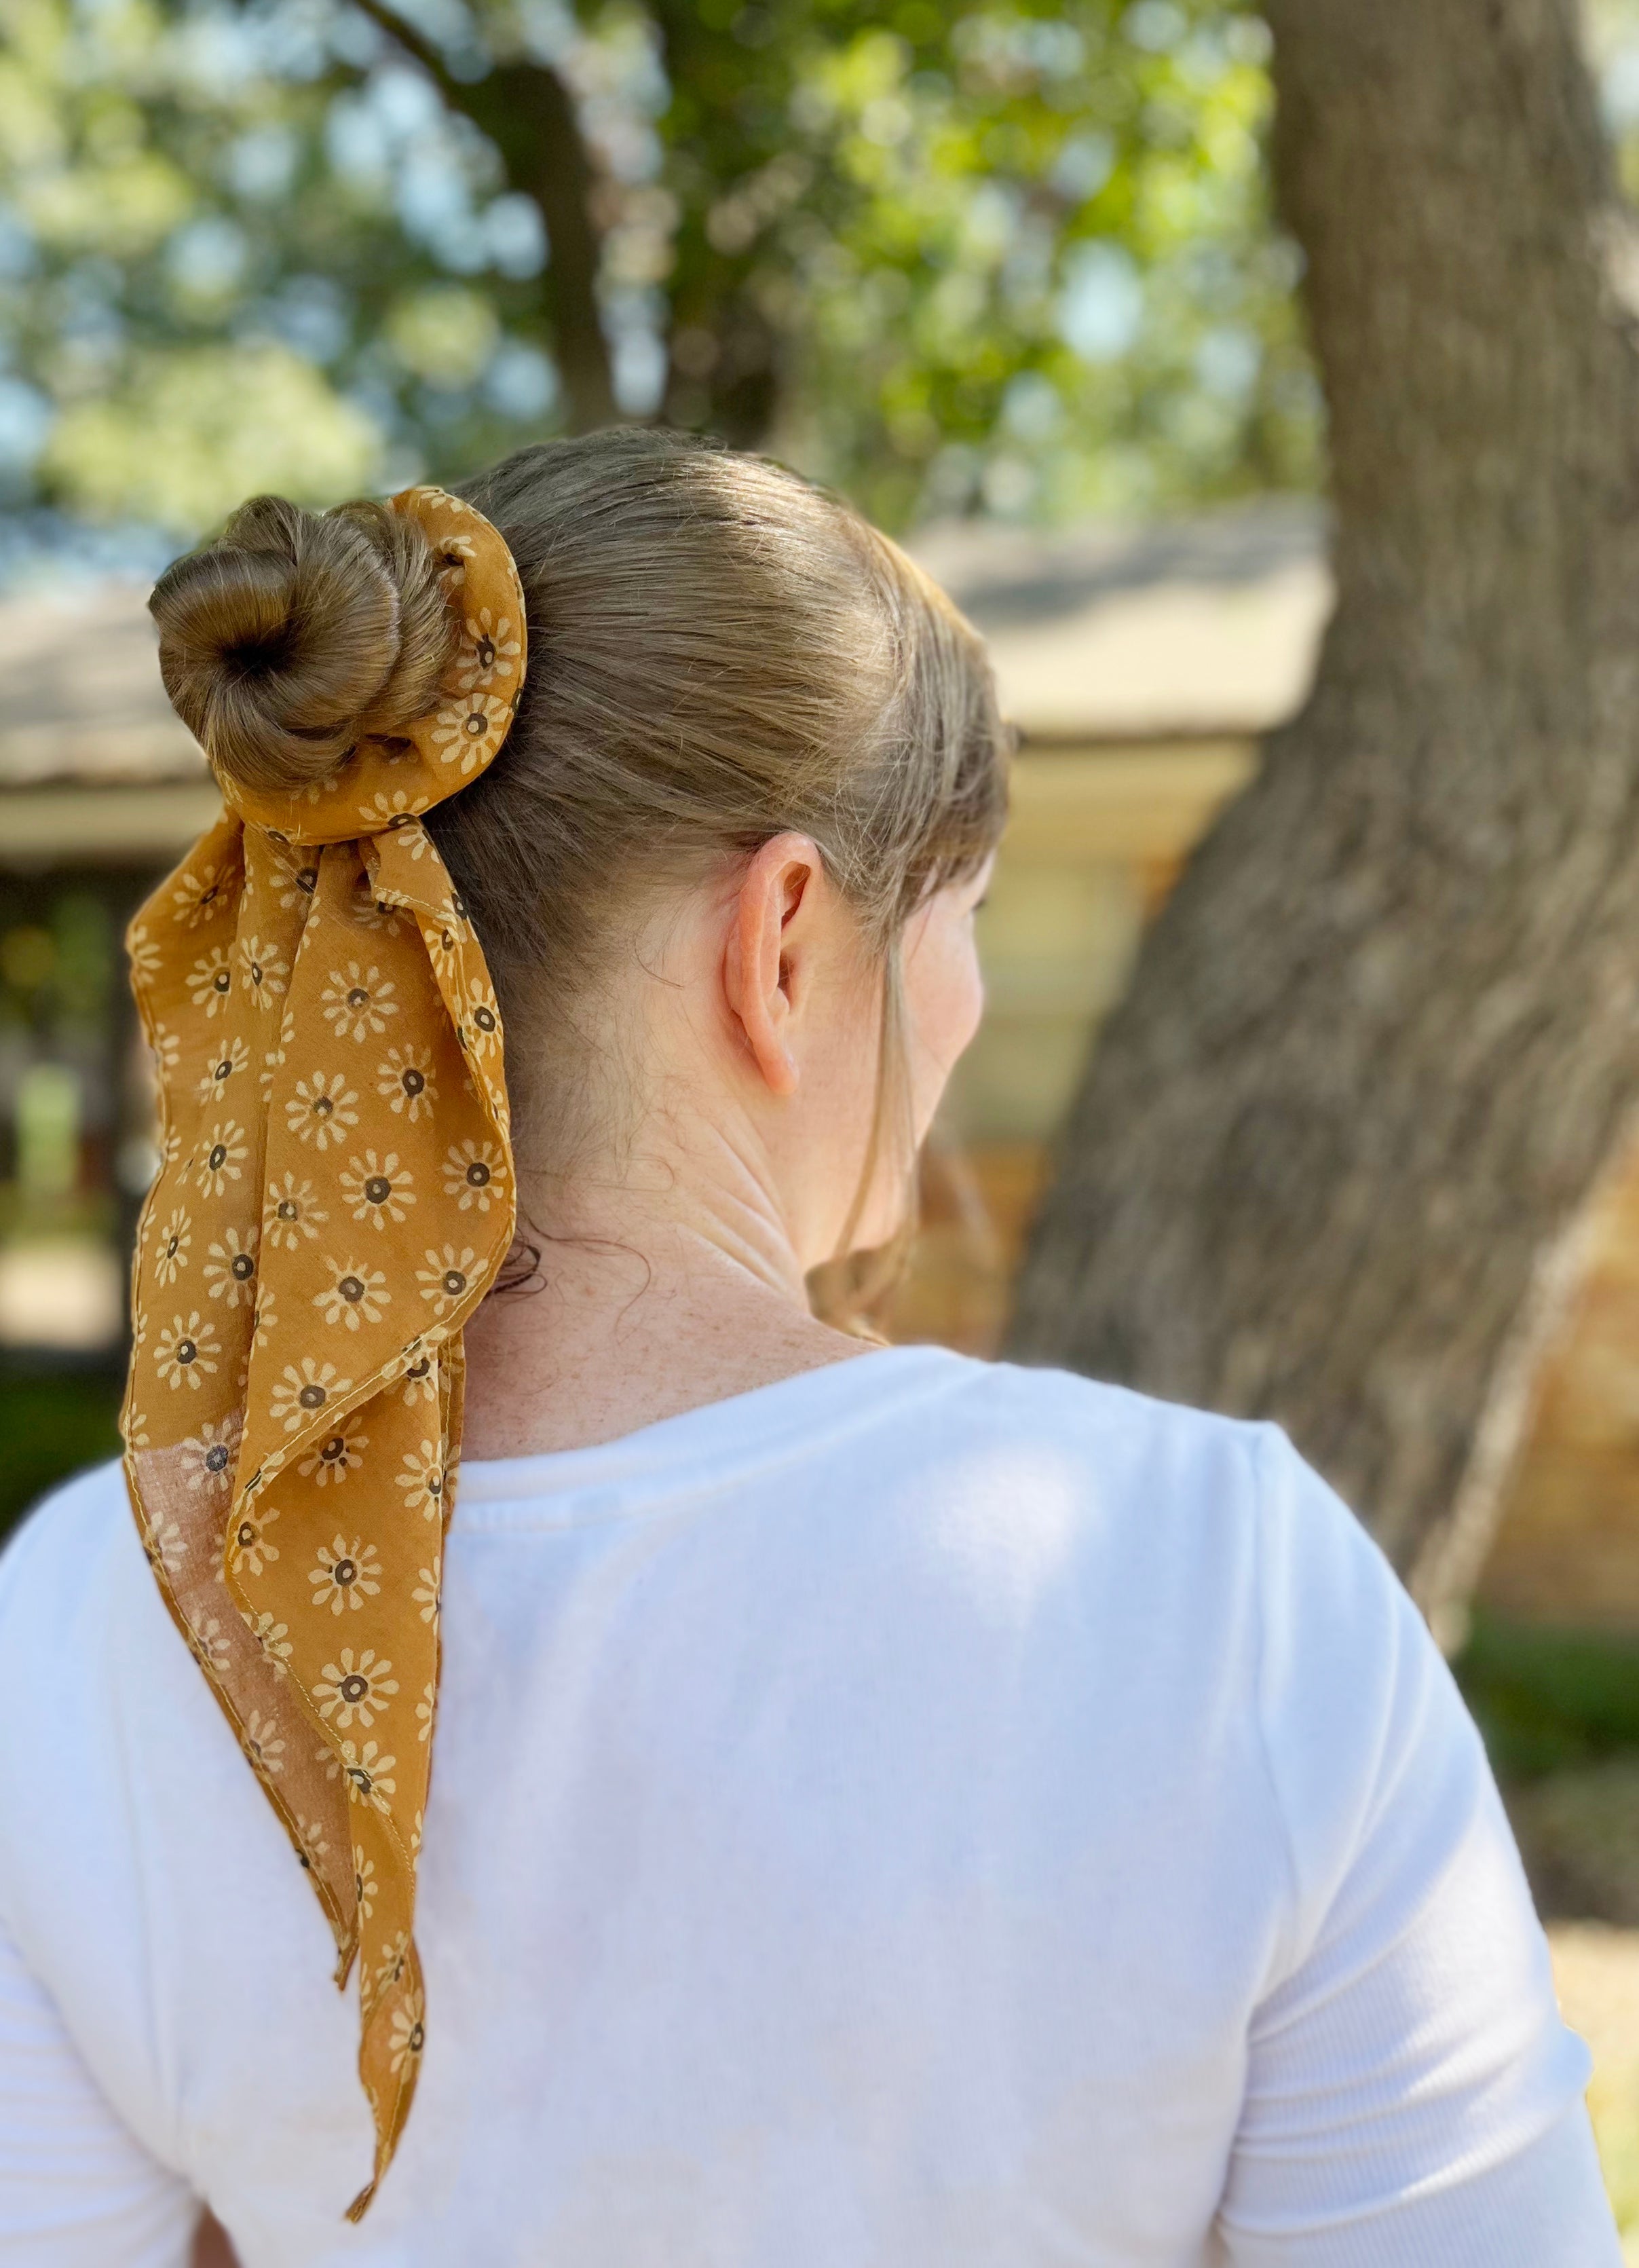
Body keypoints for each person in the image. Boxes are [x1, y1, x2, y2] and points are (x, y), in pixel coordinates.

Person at [0, 429, 1620, 2267]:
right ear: (782, 942)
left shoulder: (96, 1607)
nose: (973, 1002)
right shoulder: (1218, 1583)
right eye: (964, 916)